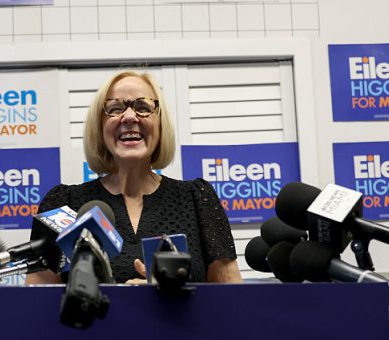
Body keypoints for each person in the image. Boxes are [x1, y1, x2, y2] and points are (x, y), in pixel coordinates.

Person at [27, 70, 242, 284]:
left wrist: (168, 299)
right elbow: (36, 306)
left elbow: (232, 303)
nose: (129, 117)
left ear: (160, 124)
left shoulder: (197, 200)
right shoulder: (64, 204)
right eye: (114, 108)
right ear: (100, 126)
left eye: (143, 107)